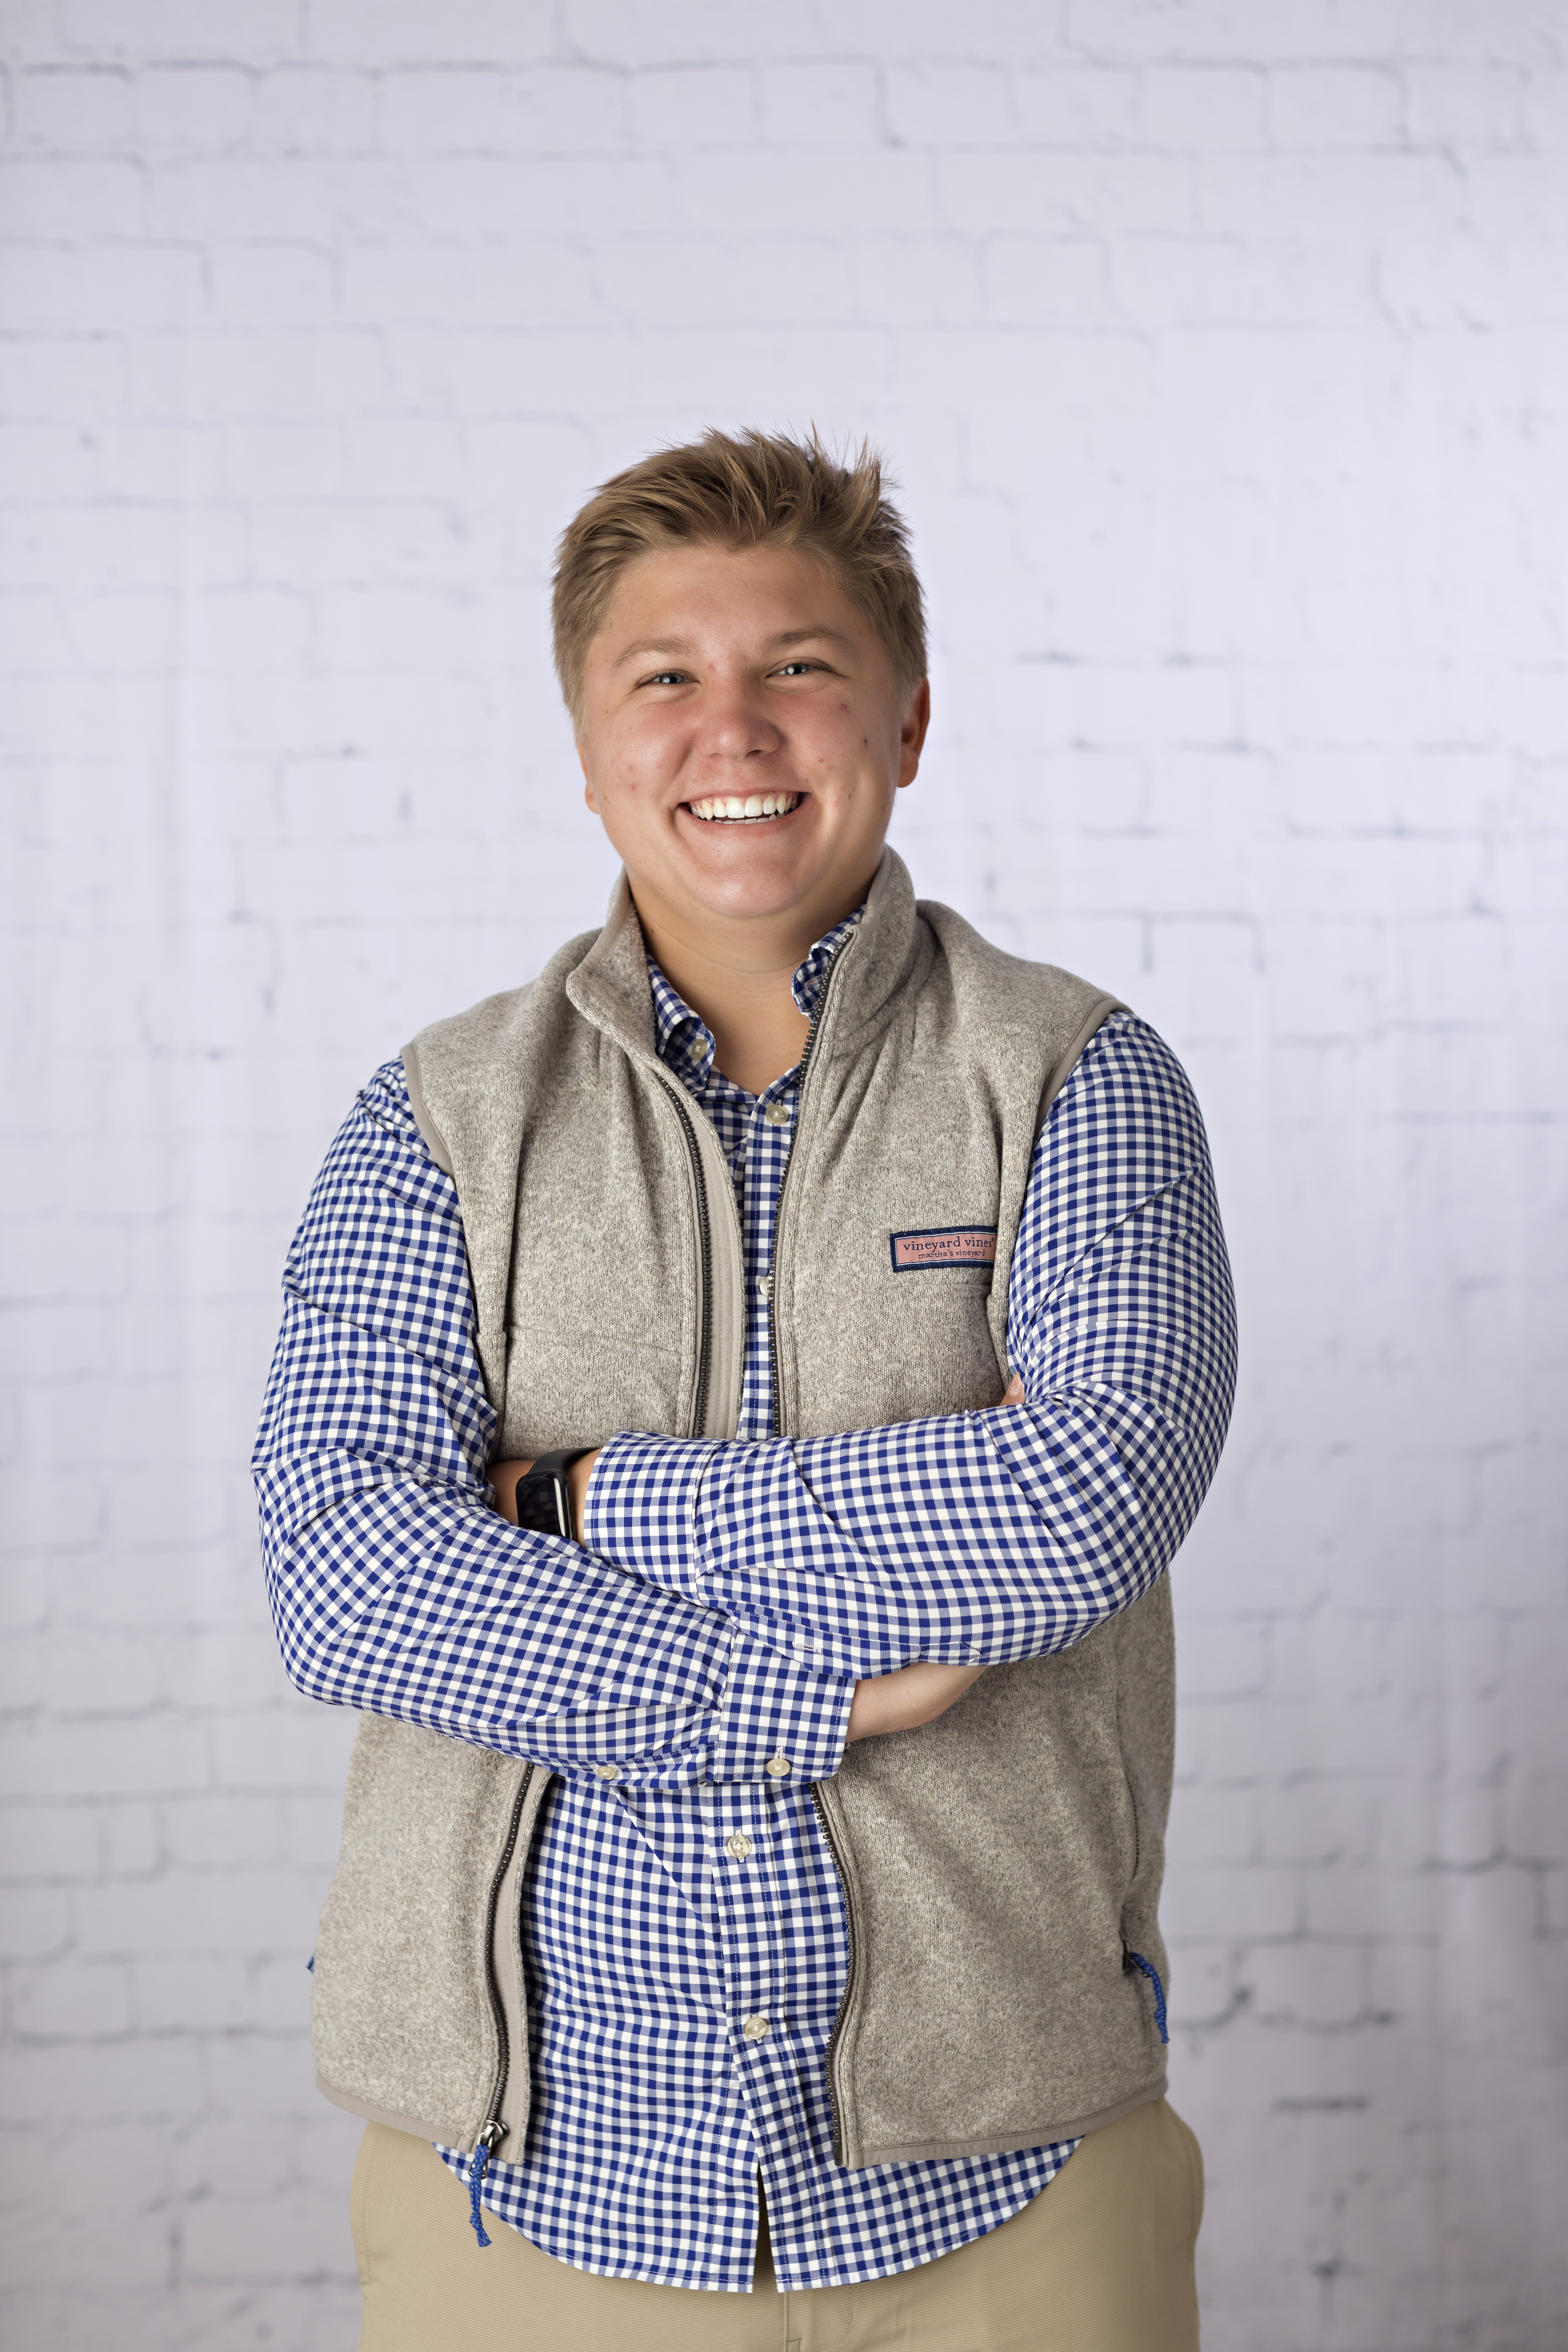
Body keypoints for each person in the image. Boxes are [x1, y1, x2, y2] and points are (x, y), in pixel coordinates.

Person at [254, 428, 1236, 2351]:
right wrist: (807, 1693)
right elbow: (349, 1574)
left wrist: (578, 1499)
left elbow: (1078, 1507)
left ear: (908, 717)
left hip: (1014, 2178)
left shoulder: (1080, 1078)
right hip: (528, 2191)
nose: (736, 730)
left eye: (799, 665)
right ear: (586, 743)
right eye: (665, 677)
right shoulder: (435, 1122)